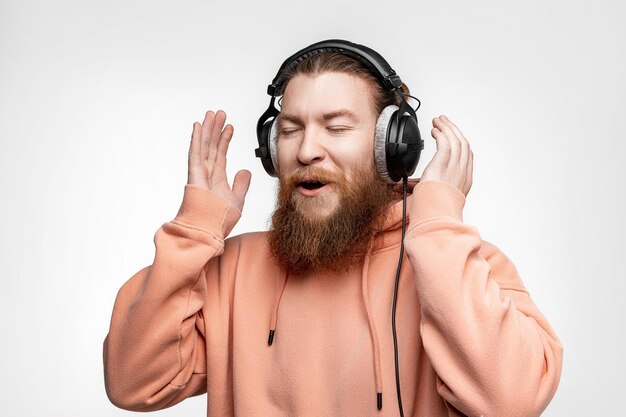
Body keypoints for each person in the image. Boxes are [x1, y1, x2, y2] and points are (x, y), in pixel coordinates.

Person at [103, 39, 563, 417]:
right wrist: (194, 230)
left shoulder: (461, 264)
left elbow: (511, 402)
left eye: (336, 127)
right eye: (290, 129)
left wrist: (439, 226)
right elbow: (133, 382)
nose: (307, 151)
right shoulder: (232, 269)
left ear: (393, 148)